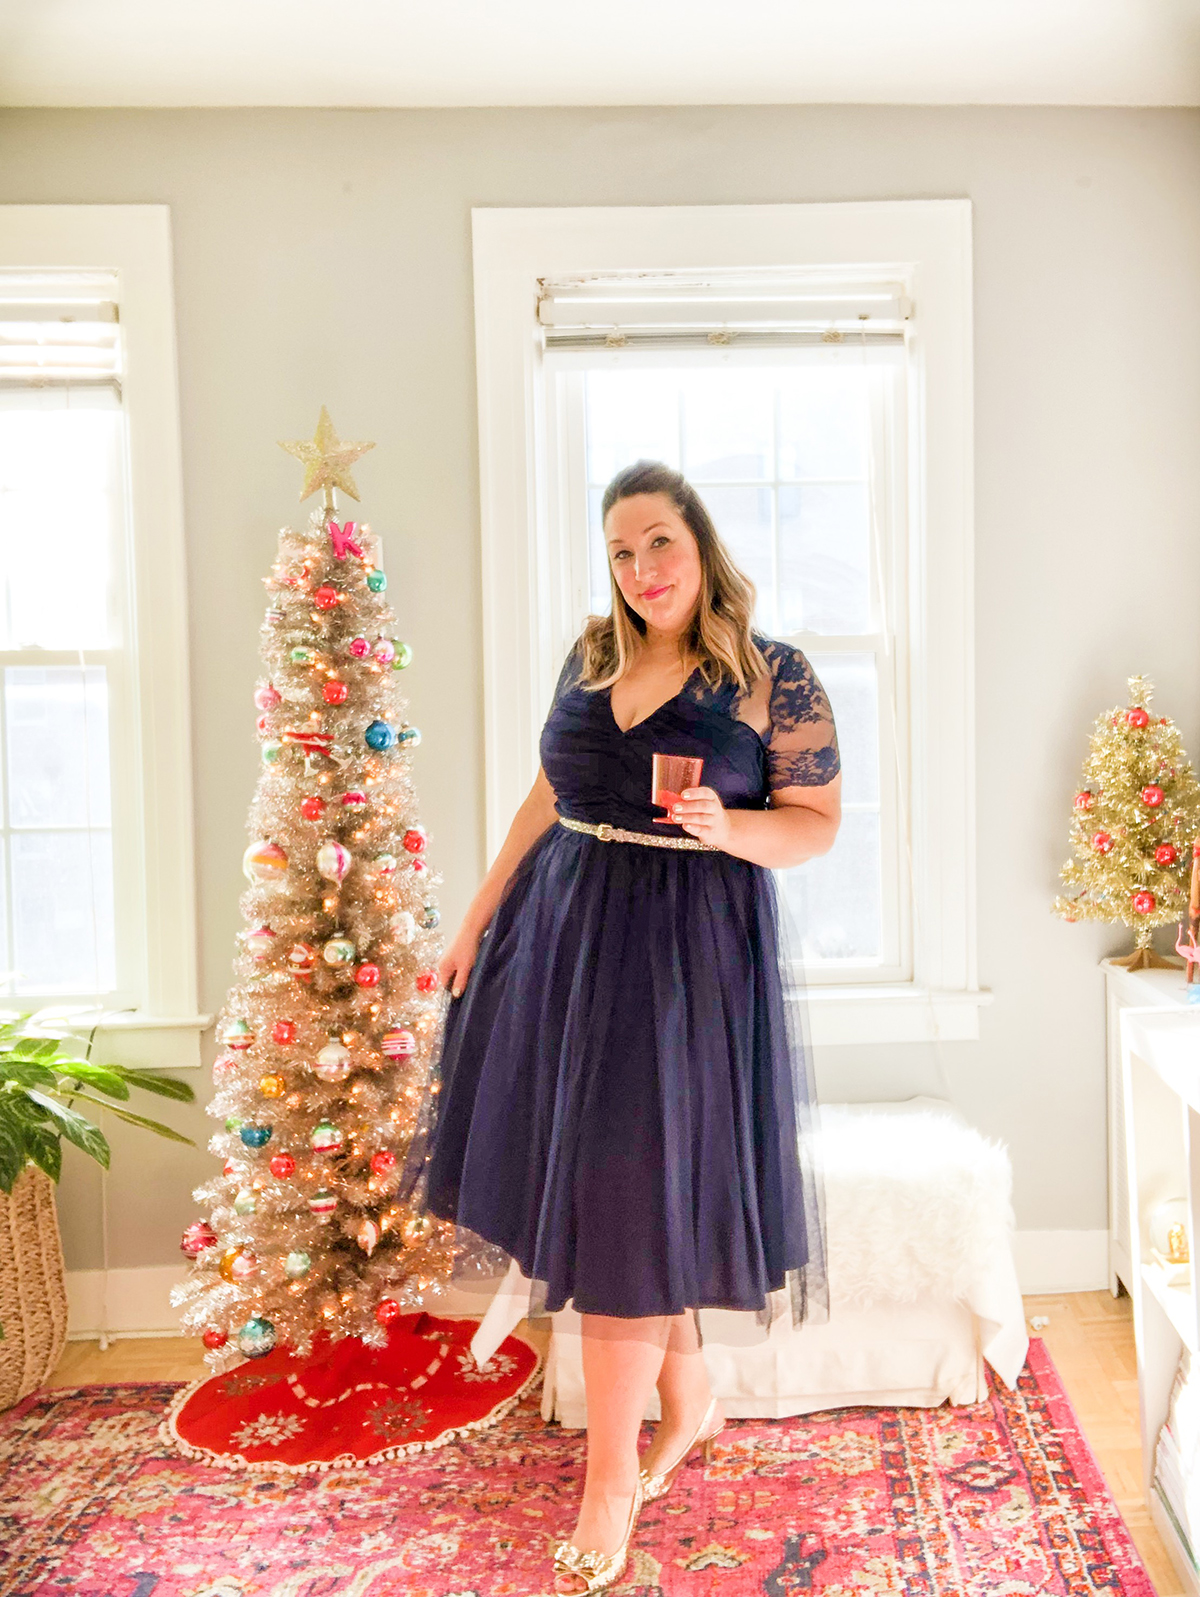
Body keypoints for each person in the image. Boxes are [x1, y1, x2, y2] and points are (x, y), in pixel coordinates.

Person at [425, 459, 841, 1594]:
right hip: (561, 943)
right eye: (620, 550)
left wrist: (730, 823)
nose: (641, 568)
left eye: (658, 541)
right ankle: (687, 1389)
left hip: (685, 958)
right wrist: (477, 915)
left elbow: (815, 825)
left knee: (625, 1195)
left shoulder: (774, 677)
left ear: (699, 543)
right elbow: (547, 794)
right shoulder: (592, 653)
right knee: (618, 1187)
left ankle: (610, 1480)